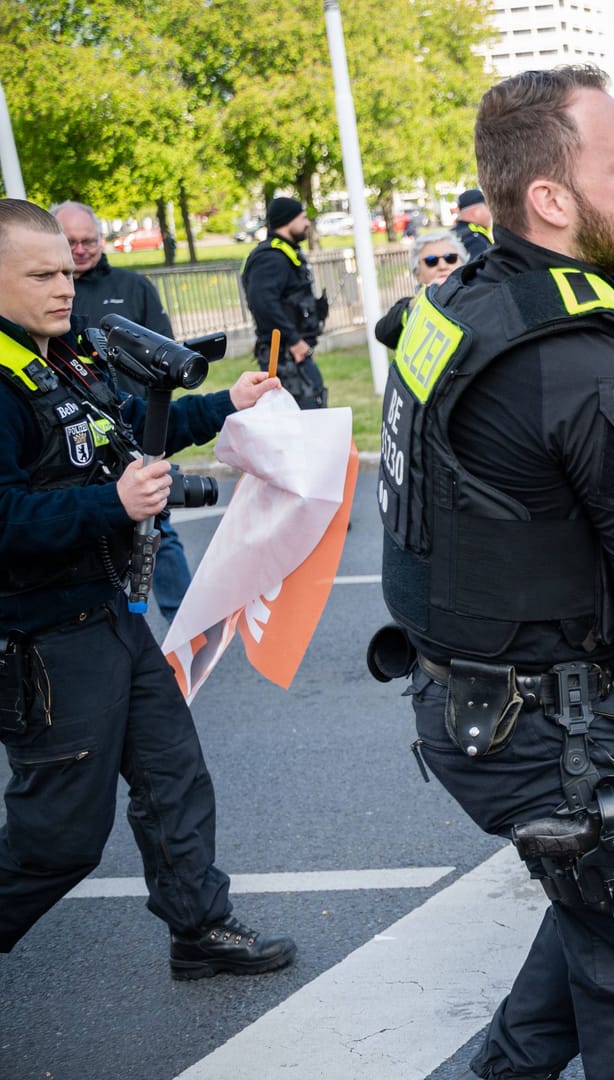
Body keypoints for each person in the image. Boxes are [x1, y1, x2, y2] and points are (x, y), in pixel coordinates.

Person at [375, 67, 614, 1079]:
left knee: (603, 922)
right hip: (557, 735)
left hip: (466, 704)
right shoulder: (588, 364)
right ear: (550, 200)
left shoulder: (465, 300)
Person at [0, 197, 294, 976]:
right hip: (46, 640)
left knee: (174, 780)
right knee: (58, 838)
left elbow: (129, 425)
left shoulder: (61, 355)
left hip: (115, 618)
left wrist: (225, 403)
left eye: (67, 269)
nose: (66, 287)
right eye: (42, 274)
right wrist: (113, 502)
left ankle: (199, 929)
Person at [52, 200, 194, 622]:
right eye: (70, 243)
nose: (80, 251)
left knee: (158, 530)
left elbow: (168, 352)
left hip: (133, 430)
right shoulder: (41, 308)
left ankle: (185, 621)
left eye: (88, 241)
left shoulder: (133, 287)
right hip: (72, 444)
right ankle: (116, 623)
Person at [239, 197, 327, 409]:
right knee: (301, 416)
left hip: (292, 353)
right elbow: (263, 304)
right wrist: (295, 341)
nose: (307, 223)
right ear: (288, 220)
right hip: (283, 356)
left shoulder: (285, 252)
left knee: (314, 404)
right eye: (303, 217)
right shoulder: (270, 258)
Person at [371, 231, 463, 349]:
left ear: (463, 262)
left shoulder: (479, 296)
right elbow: (383, 333)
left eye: (450, 258)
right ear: (417, 273)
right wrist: (417, 304)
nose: (442, 266)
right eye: (431, 260)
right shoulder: (411, 305)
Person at [451, 187, 494, 260]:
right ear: (476, 211)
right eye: (488, 207)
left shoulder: (452, 234)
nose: (491, 212)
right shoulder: (474, 239)